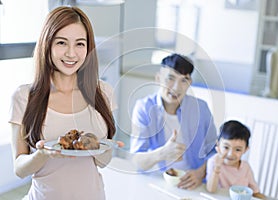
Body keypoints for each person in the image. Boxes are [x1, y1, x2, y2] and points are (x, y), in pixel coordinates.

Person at [9, 6, 117, 200]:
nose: (71, 53)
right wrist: (42, 154)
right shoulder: (24, 96)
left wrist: (103, 147)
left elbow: (103, 162)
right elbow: (19, 168)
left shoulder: (103, 93)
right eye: (61, 42)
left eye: (80, 44)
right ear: (47, 44)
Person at [130, 53, 217, 190]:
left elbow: (215, 151)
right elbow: (136, 161)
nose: (176, 87)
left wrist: (200, 173)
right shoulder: (144, 108)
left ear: (190, 84)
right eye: (170, 78)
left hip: (194, 183)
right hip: (157, 181)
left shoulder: (201, 108)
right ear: (158, 78)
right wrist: (163, 153)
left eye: (184, 80)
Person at [206, 120, 266, 199]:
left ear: (245, 150)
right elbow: (211, 190)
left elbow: (255, 192)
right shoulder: (214, 162)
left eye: (237, 149)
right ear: (218, 144)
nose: (231, 154)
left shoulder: (245, 167)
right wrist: (217, 168)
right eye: (226, 147)